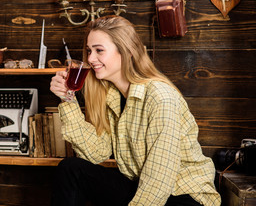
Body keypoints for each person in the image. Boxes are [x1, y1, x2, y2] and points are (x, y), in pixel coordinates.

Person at [49, 15, 221, 206]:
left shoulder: (160, 96)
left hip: (183, 195)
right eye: (89, 50)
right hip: (142, 186)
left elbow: (159, 177)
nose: (90, 58)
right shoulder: (112, 96)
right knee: (71, 169)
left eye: (99, 50)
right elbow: (97, 153)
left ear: (127, 51)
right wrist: (68, 99)